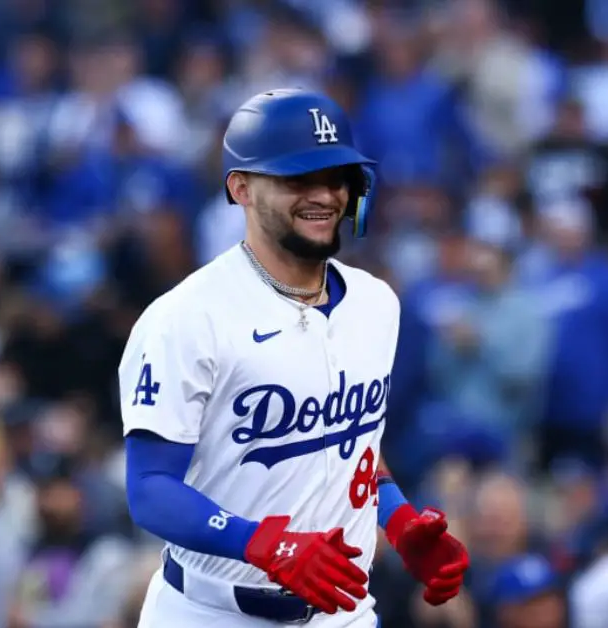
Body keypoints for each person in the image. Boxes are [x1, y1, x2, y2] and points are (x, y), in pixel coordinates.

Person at [119, 88, 470, 627]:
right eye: (295, 179)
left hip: (342, 612)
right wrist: (262, 544)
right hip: (211, 611)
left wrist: (398, 520)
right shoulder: (187, 317)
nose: (323, 195)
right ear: (241, 189)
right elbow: (150, 491)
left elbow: (349, 448)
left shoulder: (377, 303)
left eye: (335, 177)